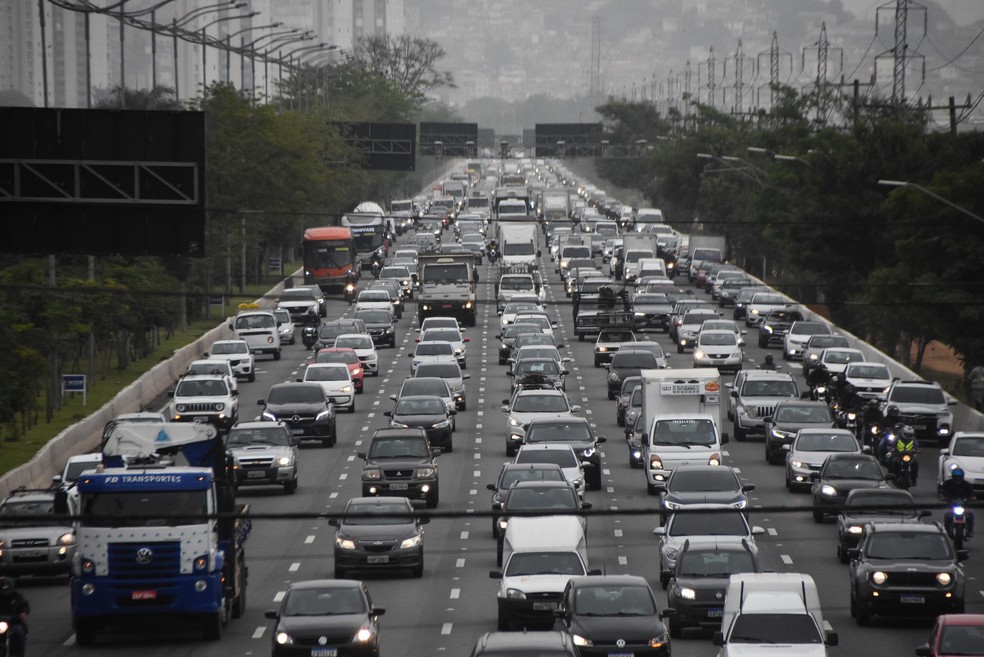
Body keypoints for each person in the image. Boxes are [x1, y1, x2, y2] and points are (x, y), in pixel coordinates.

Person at [941, 468, 975, 538]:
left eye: (959, 476)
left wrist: (971, 497)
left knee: (970, 515)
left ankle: (969, 530)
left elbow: (971, 493)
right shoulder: (948, 483)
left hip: (963, 504)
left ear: (962, 477)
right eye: (956, 476)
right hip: (951, 504)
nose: (957, 478)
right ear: (953, 476)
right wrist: (944, 497)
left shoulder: (966, 484)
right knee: (947, 515)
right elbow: (943, 492)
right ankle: (946, 530)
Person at [0, 577, 29, 657]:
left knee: (19, 632)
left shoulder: (17, 597)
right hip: (0, 622)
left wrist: (23, 612)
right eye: (3, 589)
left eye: (7, 589)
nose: (5, 592)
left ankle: (19, 654)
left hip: (13, 622)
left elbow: (24, 605)